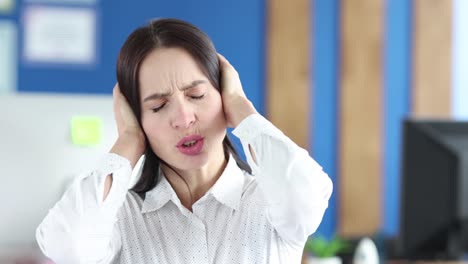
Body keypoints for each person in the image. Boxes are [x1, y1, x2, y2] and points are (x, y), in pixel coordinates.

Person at [36, 18, 333, 264]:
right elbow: (66, 247)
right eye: (158, 106)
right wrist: (128, 140)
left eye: (196, 95)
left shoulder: (272, 202)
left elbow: (307, 198)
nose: (183, 118)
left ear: (222, 95)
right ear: (137, 118)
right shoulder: (118, 219)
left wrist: (242, 108)